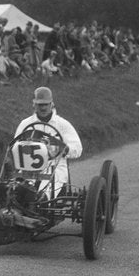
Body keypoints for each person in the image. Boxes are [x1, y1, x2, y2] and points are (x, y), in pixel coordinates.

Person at [11, 86, 83, 226]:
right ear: (34, 104)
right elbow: (15, 146)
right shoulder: (25, 124)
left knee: (48, 188)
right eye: (40, 105)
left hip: (55, 165)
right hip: (28, 167)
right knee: (19, 188)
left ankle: (39, 206)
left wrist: (64, 149)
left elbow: (78, 148)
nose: (43, 108)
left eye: (46, 104)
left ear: (52, 104)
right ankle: (17, 211)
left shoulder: (62, 124)